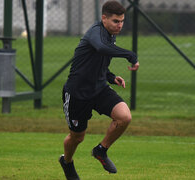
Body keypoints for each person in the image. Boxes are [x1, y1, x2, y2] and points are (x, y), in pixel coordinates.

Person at [59, 1, 139, 179]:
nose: (120, 25)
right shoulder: (95, 32)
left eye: (122, 21)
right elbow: (102, 48)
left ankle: (101, 150)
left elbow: (96, 62)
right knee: (77, 138)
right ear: (104, 18)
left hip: (100, 88)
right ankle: (67, 162)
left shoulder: (110, 35)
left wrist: (111, 77)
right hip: (77, 93)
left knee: (124, 116)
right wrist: (130, 55)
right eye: (116, 21)